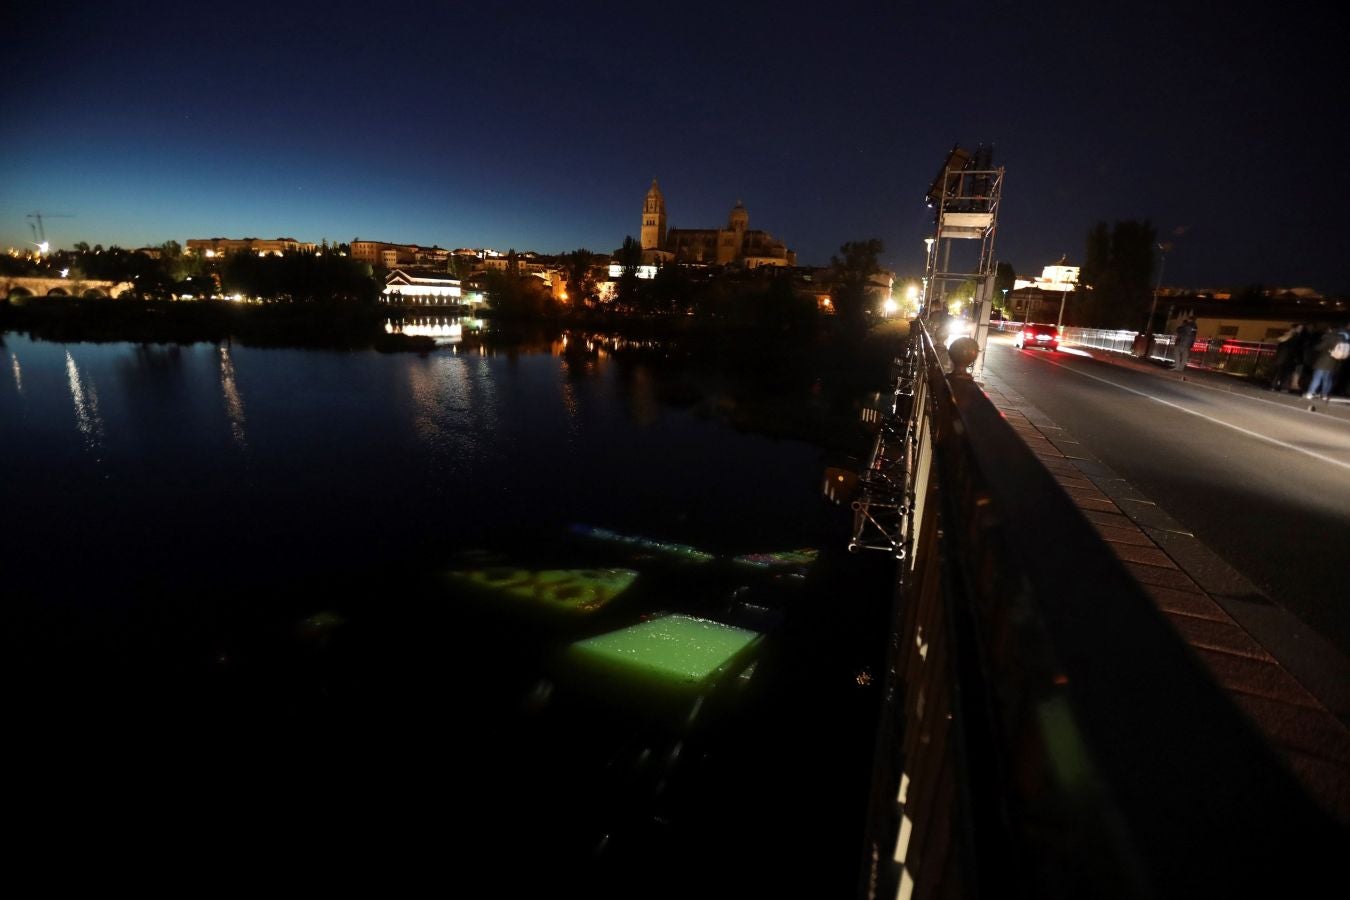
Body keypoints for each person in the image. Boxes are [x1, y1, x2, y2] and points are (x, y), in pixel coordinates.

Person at [1304, 322, 1350, 402]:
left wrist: (1315, 346)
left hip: (1323, 360)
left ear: (1330, 329)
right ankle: (1324, 395)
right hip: (1334, 361)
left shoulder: (1330, 336)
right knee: (1328, 379)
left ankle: (1310, 393)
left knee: (1317, 377)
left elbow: (1320, 347)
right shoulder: (1343, 338)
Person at [1269, 323, 1305, 392]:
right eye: (1299, 328)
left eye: (1301, 328)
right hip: (1287, 357)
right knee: (1283, 373)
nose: (1300, 330)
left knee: (1283, 373)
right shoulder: (1294, 336)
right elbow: (1296, 349)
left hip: (1286, 358)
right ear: (1295, 328)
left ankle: (1277, 386)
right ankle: (1280, 387)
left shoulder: (1288, 336)